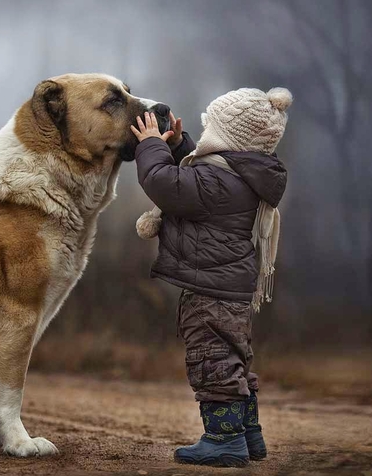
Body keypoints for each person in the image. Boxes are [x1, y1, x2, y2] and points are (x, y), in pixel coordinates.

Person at [130, 87, 292, 467]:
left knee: (212, 361)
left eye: (210, 129)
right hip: (230, 288)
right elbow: (195, 173)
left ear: (228, 138)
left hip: (211, 291)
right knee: (233, 359)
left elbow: (162, 182)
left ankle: (223, 440)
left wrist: (151, 145)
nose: (204, 137)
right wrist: (177, 144)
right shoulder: (238, 175)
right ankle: (248, 435)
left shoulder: (217, 184)